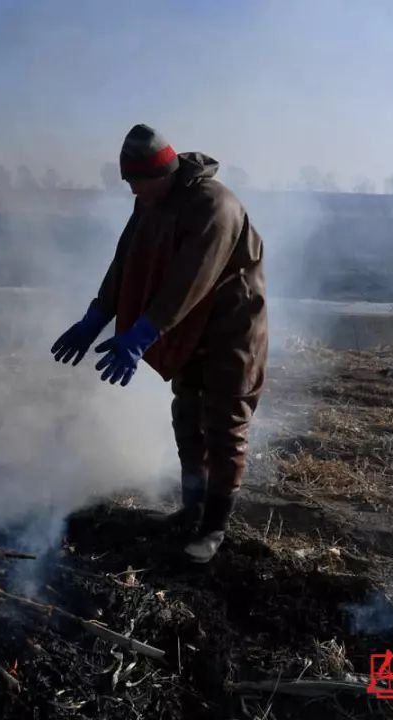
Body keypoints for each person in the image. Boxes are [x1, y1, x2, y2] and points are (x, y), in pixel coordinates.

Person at [51, 123, 268, 563]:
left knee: (225, 425)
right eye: (128, 183)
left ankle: (213, 528)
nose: (133, 191)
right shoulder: (150, 204)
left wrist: (142, 335)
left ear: (162, 173)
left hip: (230, 330)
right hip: (183, 328)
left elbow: (191, 279)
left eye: (138, 182)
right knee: (187, 416)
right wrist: (96, 316)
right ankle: (191, 511)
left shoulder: (214, 205)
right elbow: (125, 261)